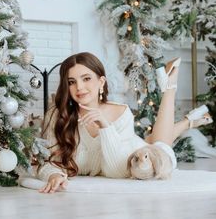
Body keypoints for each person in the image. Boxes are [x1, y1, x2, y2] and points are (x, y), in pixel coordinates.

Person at [37, 52, 212, 193]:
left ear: (101, 81)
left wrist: (105, 126)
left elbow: (115, 171)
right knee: (152, 140)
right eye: (71, 82)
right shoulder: (59, 116)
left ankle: (170, 86)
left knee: (160, 145)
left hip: (142, 161)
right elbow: (49, 162)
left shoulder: (120, 112)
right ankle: (190, 120)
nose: (79, 87)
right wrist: (53, 175)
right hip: (133, 145)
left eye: (86, 78)